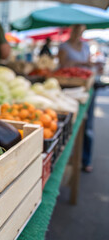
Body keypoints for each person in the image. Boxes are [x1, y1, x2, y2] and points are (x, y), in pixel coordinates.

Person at [58, 24, 94, 173]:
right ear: (71, 30)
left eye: (81, 29)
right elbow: (62, 65)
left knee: (88, 127)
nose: (78, 32)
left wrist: (89, 65)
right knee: (71, 126)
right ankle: (68, 156)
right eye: (76, 29)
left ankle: (86, 160)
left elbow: (89, 63)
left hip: (85, 85)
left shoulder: (86, 46)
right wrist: (82, 63)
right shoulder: (64, 46)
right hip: (68, 86)